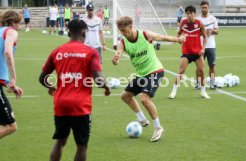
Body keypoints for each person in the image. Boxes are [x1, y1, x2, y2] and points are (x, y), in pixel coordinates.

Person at [39, 19, 110, 161]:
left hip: (61, 104)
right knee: (81, 146)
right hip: (80, 106)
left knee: (60, 141)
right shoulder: (90, 52)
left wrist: (51, 86)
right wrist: (106, 86)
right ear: (84, 32)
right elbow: (98, 78)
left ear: (68, 32)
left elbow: (42, 78)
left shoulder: (57, 51)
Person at [112, 16, 185, 142]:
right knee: (125, 96)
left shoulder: (145, 35)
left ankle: (158, 127)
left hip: (155, 70)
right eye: (120, 31)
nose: (122, 33)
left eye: (124, 30)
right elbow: (117, 57)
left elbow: (163, 37)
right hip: (141, 74)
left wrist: (178, 39)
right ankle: (142, 119)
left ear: (131, 27)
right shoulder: (123, 42)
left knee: (144, 99)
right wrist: (115, 60)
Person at [169, 5, 210, 99]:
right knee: (181, 71)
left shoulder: (199, 23)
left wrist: (203, 48)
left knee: (202, 72)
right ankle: (173, 92)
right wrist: (177, 40)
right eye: (187, 13)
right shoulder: (183, 23)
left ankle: (203, 92)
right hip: (186, 53)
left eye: (191, 13)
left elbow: (205, 36)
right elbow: (178, 33)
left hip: (197, 53)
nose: (189, 15)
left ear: (195, 14)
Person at [0, 10, 23, 139]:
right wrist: (13, 78)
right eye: (19, 23)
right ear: (13, 22)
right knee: (10, 126)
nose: (20, 26)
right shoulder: (11, 32)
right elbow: (8, 53)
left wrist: (8, 83)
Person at [196, 1, 219, 90]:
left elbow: (217, 31)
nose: (204, 9)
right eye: (203, 7)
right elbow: (195, 32)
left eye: (206, 7)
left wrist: (212, 31)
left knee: (212, 66)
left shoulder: (213, 19)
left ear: (208, 8)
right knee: (199, 67)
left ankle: (212, 83)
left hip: (211, 46)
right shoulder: (197, 20)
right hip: (200, 46)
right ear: (200, 8)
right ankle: (198, 83)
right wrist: (203, 32)